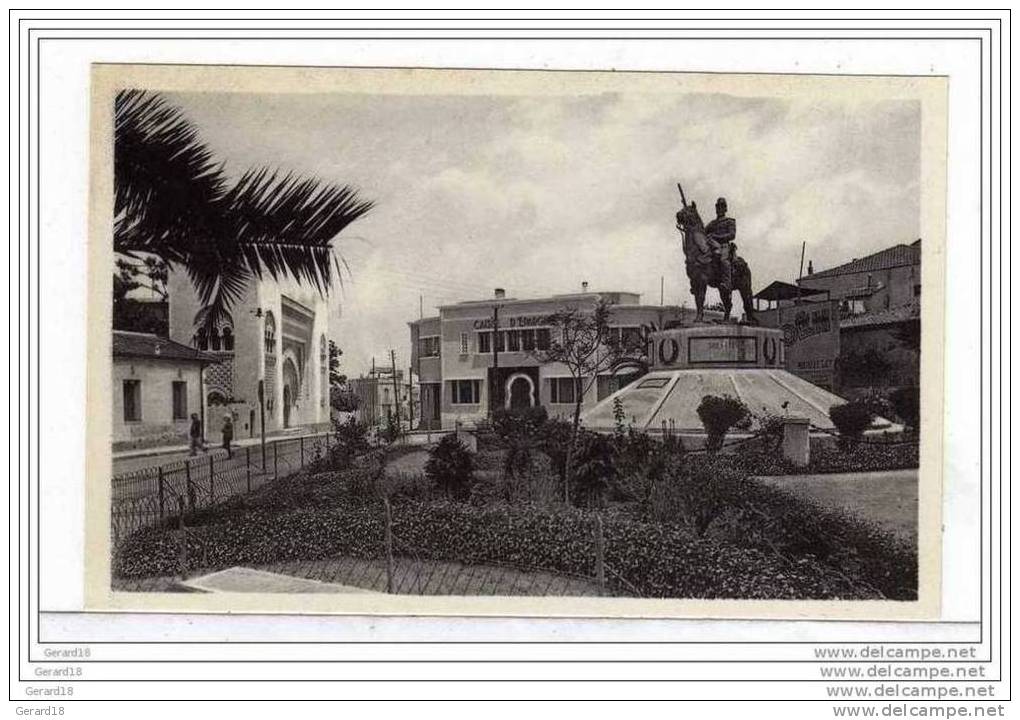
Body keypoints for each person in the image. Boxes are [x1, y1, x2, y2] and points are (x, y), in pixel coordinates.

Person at [704, 197, 736, 295]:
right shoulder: (712, 223)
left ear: (725, 208)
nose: (719, 209)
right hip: (712, 246)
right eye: (718, 207)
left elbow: (732, 235)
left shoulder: (730, 221)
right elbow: (703, 232)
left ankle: (727, 284)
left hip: (724, 246)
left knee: (723, 261)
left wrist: (716, 237)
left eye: (722, 206)